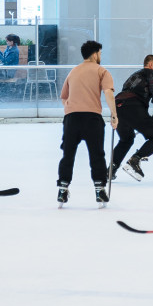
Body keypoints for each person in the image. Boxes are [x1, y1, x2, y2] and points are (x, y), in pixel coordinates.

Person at [57, 40, 118, 207]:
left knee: (68, 155)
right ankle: (99, 190)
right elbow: (108, 92)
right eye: (100, 53)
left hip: (72, 119)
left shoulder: (73, 71)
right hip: (92, 119)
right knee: (97, 154)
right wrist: (114, 114)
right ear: (95, 54)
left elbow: (64, 97)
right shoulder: (101, 71)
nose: (100, 56)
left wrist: (71, 109)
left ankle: (62, 189)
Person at [109, 54, 153, 182]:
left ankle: (111, 169)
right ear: (151, 64)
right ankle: (135, 160)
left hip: (117, 107)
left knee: (126, 139)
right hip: (133, 107)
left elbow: (127, 91)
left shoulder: (135, 75)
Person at [0, 34, 20, 100]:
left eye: (7, 41)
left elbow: (5, 62)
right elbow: (4, 57)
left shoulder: (14, 51)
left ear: (12, 42)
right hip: (5, 70)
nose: (6, 42)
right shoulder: (9, 48)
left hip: (9, 72)